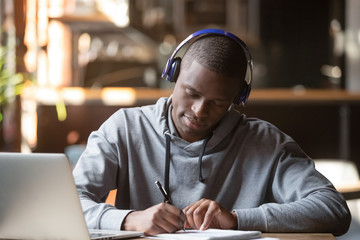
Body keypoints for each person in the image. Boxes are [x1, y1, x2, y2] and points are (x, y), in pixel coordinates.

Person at [73, 29, 351, 236]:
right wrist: (131, 220)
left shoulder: (266, 143)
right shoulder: (124, 128)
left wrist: (236, 219)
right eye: (191, 93)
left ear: (237, 98)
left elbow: (334, 210)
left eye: (218, 103)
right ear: (173, 74)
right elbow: (70, 204)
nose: (199, 110)